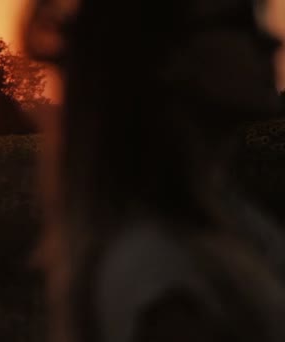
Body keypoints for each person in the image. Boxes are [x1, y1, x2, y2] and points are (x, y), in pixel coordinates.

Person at [22, 1, 285, 341]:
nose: (272, 42)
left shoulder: (225, 219)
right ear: (166, 56)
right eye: (241, 22)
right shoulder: (162, 275)